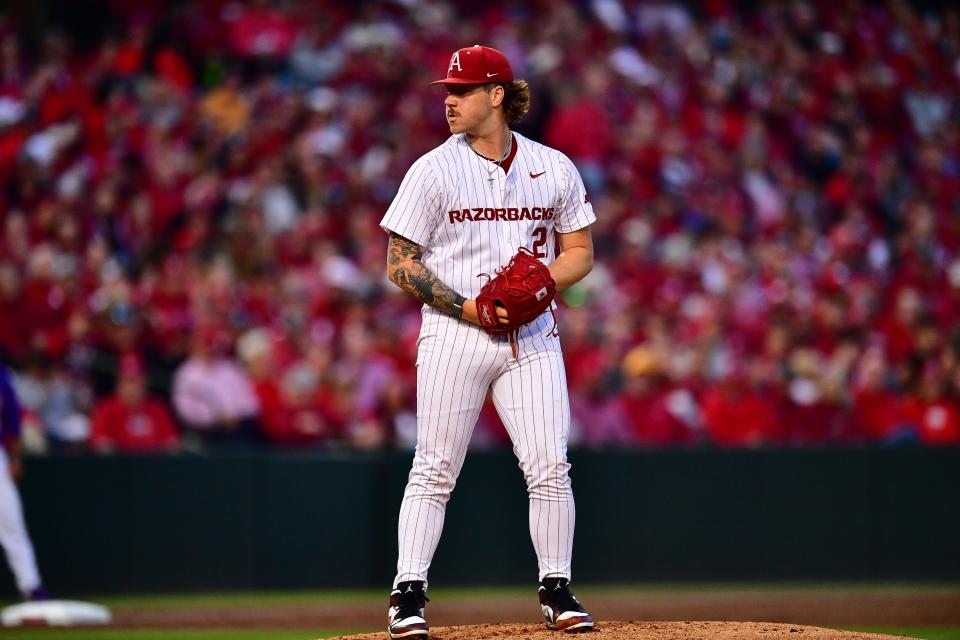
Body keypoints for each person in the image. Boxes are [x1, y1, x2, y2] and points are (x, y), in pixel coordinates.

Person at [379, 45, 596, 638]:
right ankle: (408, 594)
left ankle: (557, 589)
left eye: (463, 90)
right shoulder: (431, 170)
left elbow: (581, 252)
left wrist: (540, 284)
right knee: (435, 468)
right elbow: (400, 264)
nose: (449, 100)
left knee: (550, 463)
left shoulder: (553, 167)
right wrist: (472, 306)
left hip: (531, 336)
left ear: (497, 95)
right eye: (448, 90)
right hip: (454, 334)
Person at [0, 362, 48, 601]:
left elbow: (12, 419)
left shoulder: (2, 375)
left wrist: (15, 456)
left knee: (10, 521)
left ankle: (30, 586)